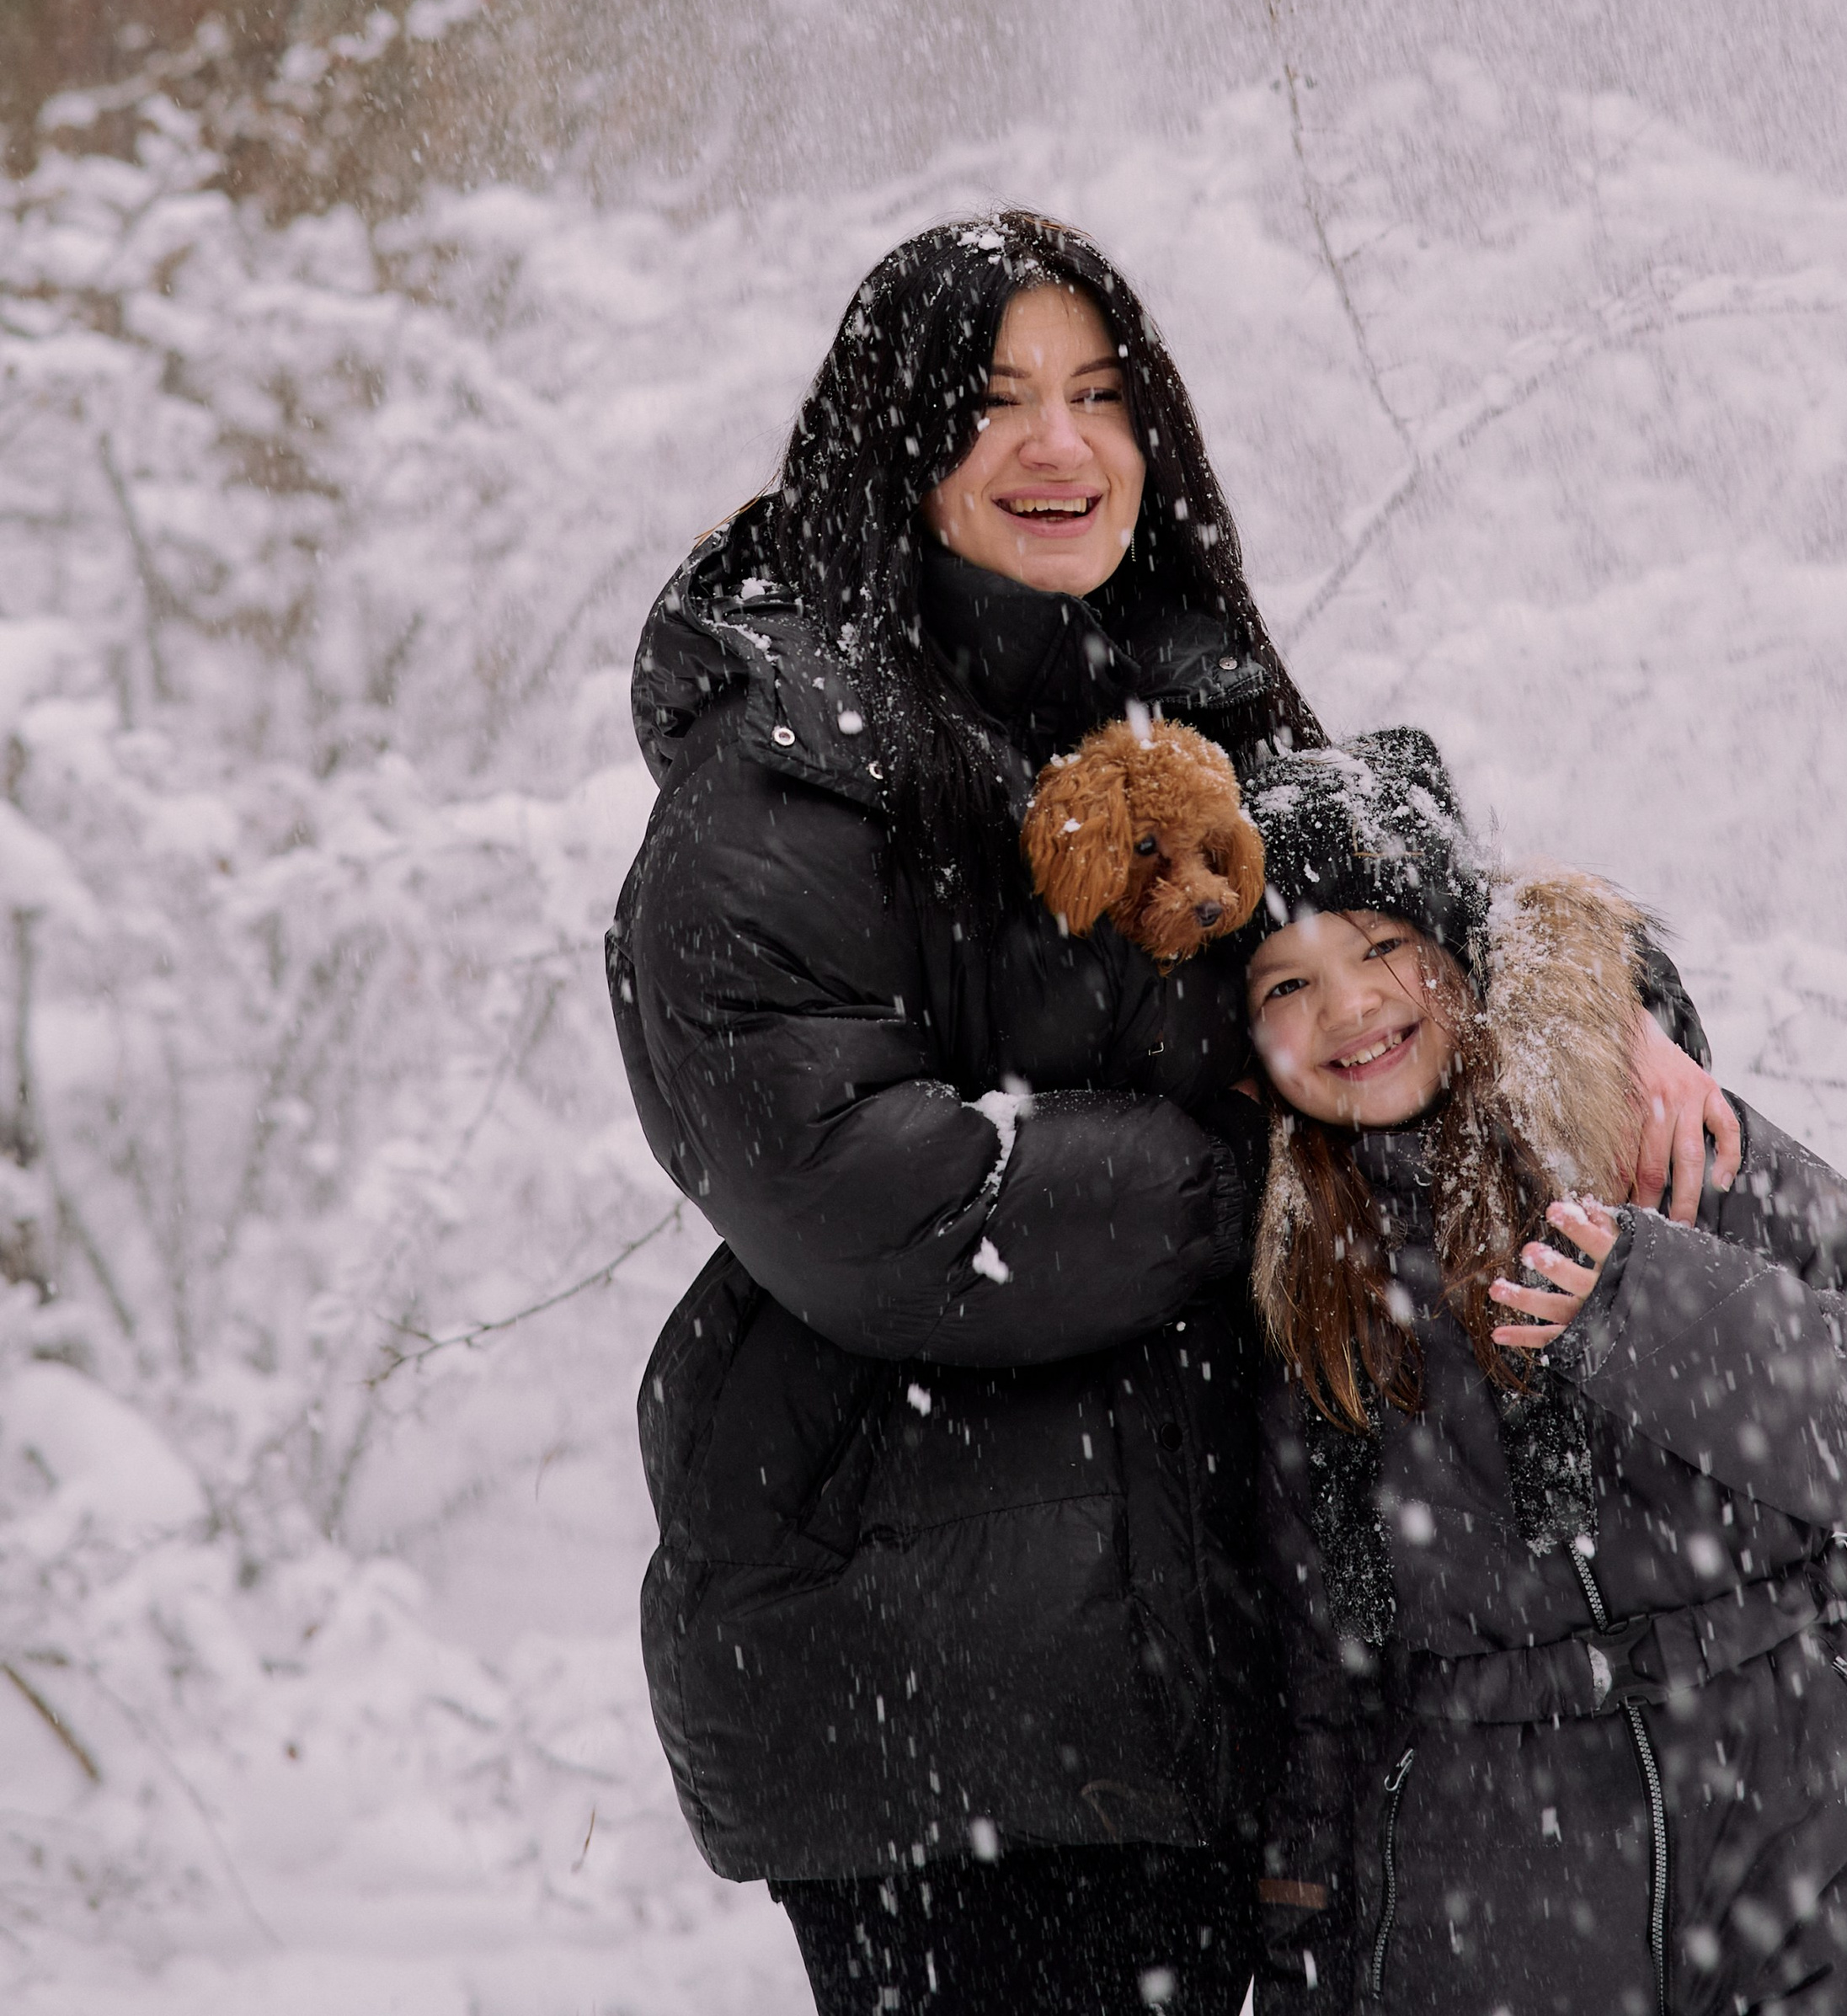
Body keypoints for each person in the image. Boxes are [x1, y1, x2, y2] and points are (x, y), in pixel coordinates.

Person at [606, 212, 1737, 2016]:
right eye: (990, 404)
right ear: (885, 448)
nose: (1058, 446)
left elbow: (1405, 960)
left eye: (1100, 393)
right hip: (955, 1692)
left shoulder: (1187, 702)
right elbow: (876, 1200)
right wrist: (1256, 1156)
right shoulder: (780, 784)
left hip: (1246, 1661)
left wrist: (1610, 1011)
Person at [1235, 734, 1847, 2016]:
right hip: (1496, 1886)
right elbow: (1323, 1653)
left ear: (1456, 945)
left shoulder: (1654, 1133)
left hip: (1802, 1822)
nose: (1352, 1008)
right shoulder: (1301, 1280)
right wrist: (1307, 1924)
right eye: (1286, 984)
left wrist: (1649, 1296)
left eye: (1380, 946)